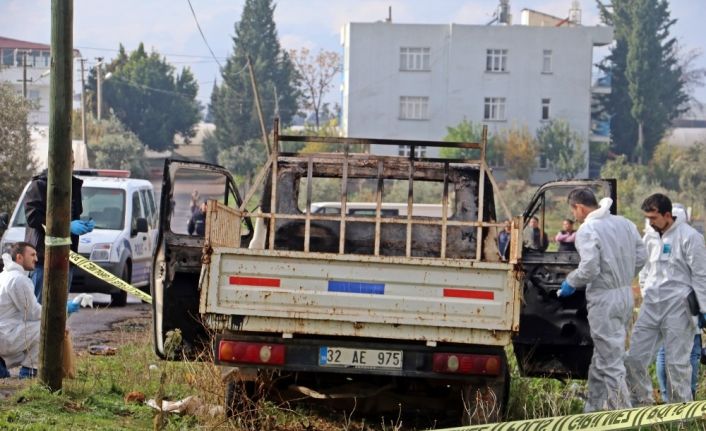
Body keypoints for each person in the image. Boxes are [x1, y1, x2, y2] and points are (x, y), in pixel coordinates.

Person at [556, 188, 646, 412]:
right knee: (603, 354)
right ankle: (593, 408)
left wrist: (571, 281)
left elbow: (589, 268)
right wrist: (623, 275)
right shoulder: (624, 223)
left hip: (604, 299)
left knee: (610, 361)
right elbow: (642, 256)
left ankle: (621, 415)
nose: (574, 217)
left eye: (573, 211)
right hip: (625, 295)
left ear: (579, 207)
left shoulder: (588, 229)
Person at [625, 194, 706, 406]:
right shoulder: (650, 237)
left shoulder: (690, 237)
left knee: (676, 365)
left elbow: (701, 275)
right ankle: (642, 406)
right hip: (651, 306)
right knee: (634, 358)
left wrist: (704, 308)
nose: (650, 222)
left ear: (667, 215)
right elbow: (644, 271)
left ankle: (681, 415)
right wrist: (644, 293)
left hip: (679, 308)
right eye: (647, 218)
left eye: (653, 217)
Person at [0, 242, 81, 379]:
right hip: (5, 335)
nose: (36, 259)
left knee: (34, 332)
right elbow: (33, 313)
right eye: (32, 255)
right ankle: (29, 371)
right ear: (19, 257)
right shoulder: (19, 279)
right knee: (47, 327)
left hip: (5, 333)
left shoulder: (5, 275)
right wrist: (61, 312)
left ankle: (1, 368)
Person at [24, 164, 94, 303]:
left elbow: (74, 216)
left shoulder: (74, 185)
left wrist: (83, 225)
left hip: (66, 259)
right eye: (68, 160)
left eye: (72, 162)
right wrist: (65, 227)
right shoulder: (39, 185)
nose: (71, 165)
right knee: (38, 307)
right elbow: (33, 218)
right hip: (42, 260)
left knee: (59, 308)